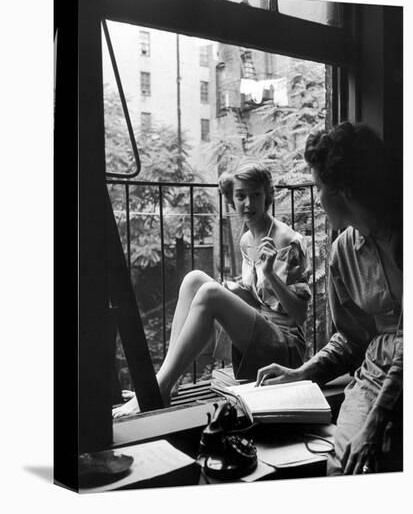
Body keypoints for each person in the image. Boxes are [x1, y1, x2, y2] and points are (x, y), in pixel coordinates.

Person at [256, 122, 403, 476]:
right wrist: (304, 372)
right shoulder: (343, 253)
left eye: (319, 186)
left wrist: (379, 419)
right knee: (344, 468)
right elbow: (353, 338)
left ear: (346, 190)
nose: (317, 196)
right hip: (376, 376)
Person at [113, 161, 311, 418]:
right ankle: (166, 382)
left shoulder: (286, 240)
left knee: (209, 294)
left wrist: (271, 273)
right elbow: (257, 295)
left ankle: (157, 389)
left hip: (285, 349)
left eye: (256, 195)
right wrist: (234, 287)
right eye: (241, 196)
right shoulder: (246, 239)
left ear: (268, 195)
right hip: (261, 329)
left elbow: (301, 314)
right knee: (195, 279)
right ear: (231, 198)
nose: (248, 204)